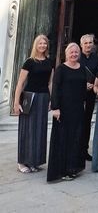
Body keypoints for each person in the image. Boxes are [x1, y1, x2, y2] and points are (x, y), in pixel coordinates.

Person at [13, 34, 53, 174]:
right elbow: (20, 83)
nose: (42, 46)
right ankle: (22, 161)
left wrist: (51, 100)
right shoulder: (29, 62)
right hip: (29, 97)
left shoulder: (49, 62)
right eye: (40, 43)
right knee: (27, 129)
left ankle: (34, 161)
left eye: (45, 43)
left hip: (43, 98)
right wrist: (16, 102)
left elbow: (50, 83)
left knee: (40, 130)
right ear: (35, 45)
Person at [47, 42, 87, 182]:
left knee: (75, 139)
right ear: (66, 54)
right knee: (63, 139)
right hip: (63, 109)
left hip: (77, 109)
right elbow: (56, 88)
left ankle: (72, 168)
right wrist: (55, 108)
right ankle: (61, 170)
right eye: (71, 52)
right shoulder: (61, 69)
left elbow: (83, 87)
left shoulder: (82, 68)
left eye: (76, 52)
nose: (74, 54)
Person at [79, 33, 98, 161]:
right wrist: (82, 84)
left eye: (90, 43)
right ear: (81, 45)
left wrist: (94, 84)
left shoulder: (97, 58)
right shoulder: (75, 56)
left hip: (90, 95)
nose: (88, 45)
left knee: (86, 123)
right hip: (77, 96)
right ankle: (75, 149)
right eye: (85, 43)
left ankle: (84, 150)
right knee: (76, 123)